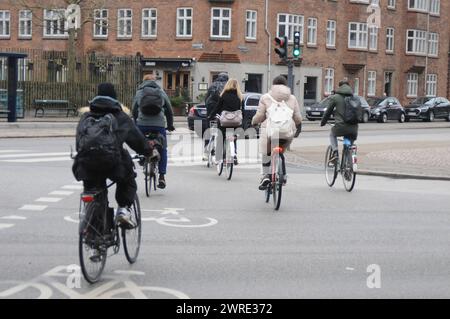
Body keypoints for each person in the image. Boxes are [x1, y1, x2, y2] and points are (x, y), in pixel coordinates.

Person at [73, 83, 152, 228]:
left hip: (87, 165)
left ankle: (92, 233)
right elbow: (138, 141)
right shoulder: (121, 117)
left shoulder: (86, 117)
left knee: (92, 190)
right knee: (127, 179)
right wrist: (148, 152)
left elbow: (79, 142)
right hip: (113, 164)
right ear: (114, 97)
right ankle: (123, 209)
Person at [252, 76, 302, 190]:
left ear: (273, 85)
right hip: (286, 132)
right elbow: (298, 118)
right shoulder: (292, 98)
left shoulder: (266, 97)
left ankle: (265, 176)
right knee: (281, 152)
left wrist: (254, 122)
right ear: (285, 86)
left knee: (266, 153)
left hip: (270, 132)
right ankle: (283, 176)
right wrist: (297, 126)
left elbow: (260, 116)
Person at [132, 73, 175, 189]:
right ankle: (161, 176)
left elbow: (134, 110)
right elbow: (169, 110)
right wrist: (170, 125)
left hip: (142, 124)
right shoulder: (160, 92)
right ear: (154, 81)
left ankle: (142, 157)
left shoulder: (139, 92)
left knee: (139, 142)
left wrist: (136, 123)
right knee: (163, 148)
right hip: (159, 124)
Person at [320, 80, 358, 161]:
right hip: (354, 129)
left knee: (332, 134)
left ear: (339, 87)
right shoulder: (355, 98)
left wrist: (323, 122)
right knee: (349, 145)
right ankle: (349, 165)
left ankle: (335, 152)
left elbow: (328, 112)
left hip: (340, 126)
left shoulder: (335, 97)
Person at [207, 78, 243, 165]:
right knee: (233, 138)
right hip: (235, 122)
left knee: (220, 137)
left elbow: (217, 108)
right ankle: (234, 156)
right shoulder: (240, 97)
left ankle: (219, 158)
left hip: (224, 122)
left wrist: (210, 116)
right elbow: (242, 110)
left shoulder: (224, 95)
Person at [203, 72, 229, 160]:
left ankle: (206, 151)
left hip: (211, 109)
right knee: (224, 129)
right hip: (222, 110)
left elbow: (206, 98)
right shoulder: (227, 86)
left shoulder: (212, 85)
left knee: (209, 129)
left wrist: (208, 110)